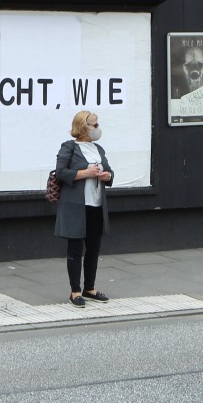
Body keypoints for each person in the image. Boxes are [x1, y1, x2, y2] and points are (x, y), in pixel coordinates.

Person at [54, 110, 114, 307]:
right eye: (94, 125)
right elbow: (61, 173)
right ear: (83, 127)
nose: (98, 128)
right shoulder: (69, 147)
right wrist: (85, 172)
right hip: (75, 206)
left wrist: (107, 176)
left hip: (96, 204)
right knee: (75, 248)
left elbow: (109, 171)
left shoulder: (99, 149)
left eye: (97, 124)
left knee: (93, 247)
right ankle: (75, 291)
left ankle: (90, 287)